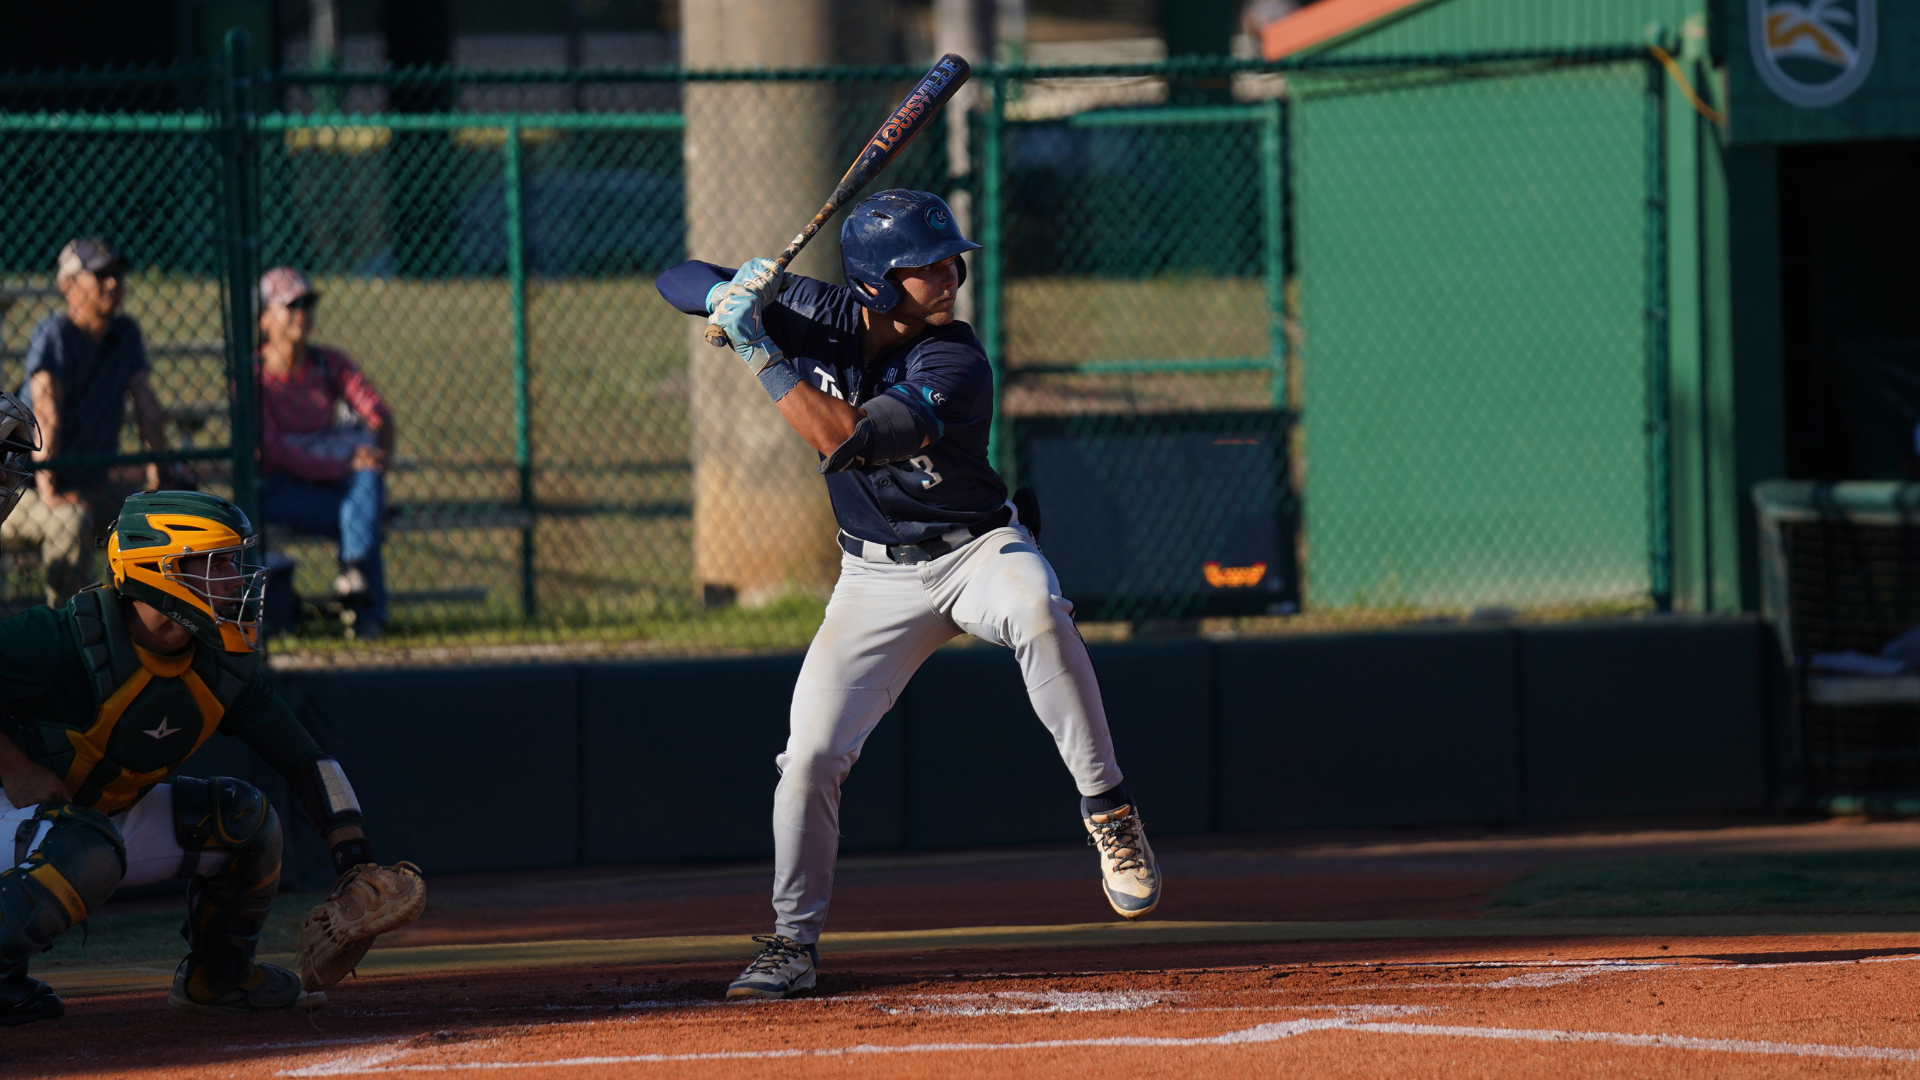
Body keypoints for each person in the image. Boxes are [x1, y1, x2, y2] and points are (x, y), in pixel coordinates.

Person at [655, 189, 1162, 1002]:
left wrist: (759, 355)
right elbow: (673, 276)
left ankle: (1109, 810)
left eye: (948, 261)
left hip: (977, 551)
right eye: (924, 266)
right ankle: (791, 943)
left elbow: (844, 439)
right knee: (810, 758)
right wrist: (725, 293)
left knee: (1038, 609)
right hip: (872, 577)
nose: (950, 276)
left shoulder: (954, 362)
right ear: (875, 284)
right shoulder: (812, 307)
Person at [0, 480, 402, 1024]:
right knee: (88, 844)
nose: (238, 581)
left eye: (235, 564)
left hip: (82, 825)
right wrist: (14, 765)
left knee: (244, 821)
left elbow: (308, 762)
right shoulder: (60, 640)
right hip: (15, 815)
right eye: (216, 565)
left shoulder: (221, 665)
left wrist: (354, 860)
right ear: (157, 570)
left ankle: (218, 979)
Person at [1, 238, 174, 608]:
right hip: (24, 489)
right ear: (68, 286)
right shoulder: (55, 333)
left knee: (160, 516)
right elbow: (45, 414)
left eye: (116, 274)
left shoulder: (124, 333)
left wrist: (158, 477)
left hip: (90, 484)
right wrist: (50, 491)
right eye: (100, 275)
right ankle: (65, 636)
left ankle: (140, 630)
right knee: (71, 520)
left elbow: (148, 407)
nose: (113, 283)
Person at [253, 267, 396, 639]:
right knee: (362, 509)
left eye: (308, 303)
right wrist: (342, 464)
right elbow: (274, 451)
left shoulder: (328, 362)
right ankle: (366, 611)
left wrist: (377, 459)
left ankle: (355, 576)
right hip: (280, 490)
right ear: (265, 318)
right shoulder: (252, 376)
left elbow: (379, 416)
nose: (302, 312)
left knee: (367, 478)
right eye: (291, 305)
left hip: (331, 488)